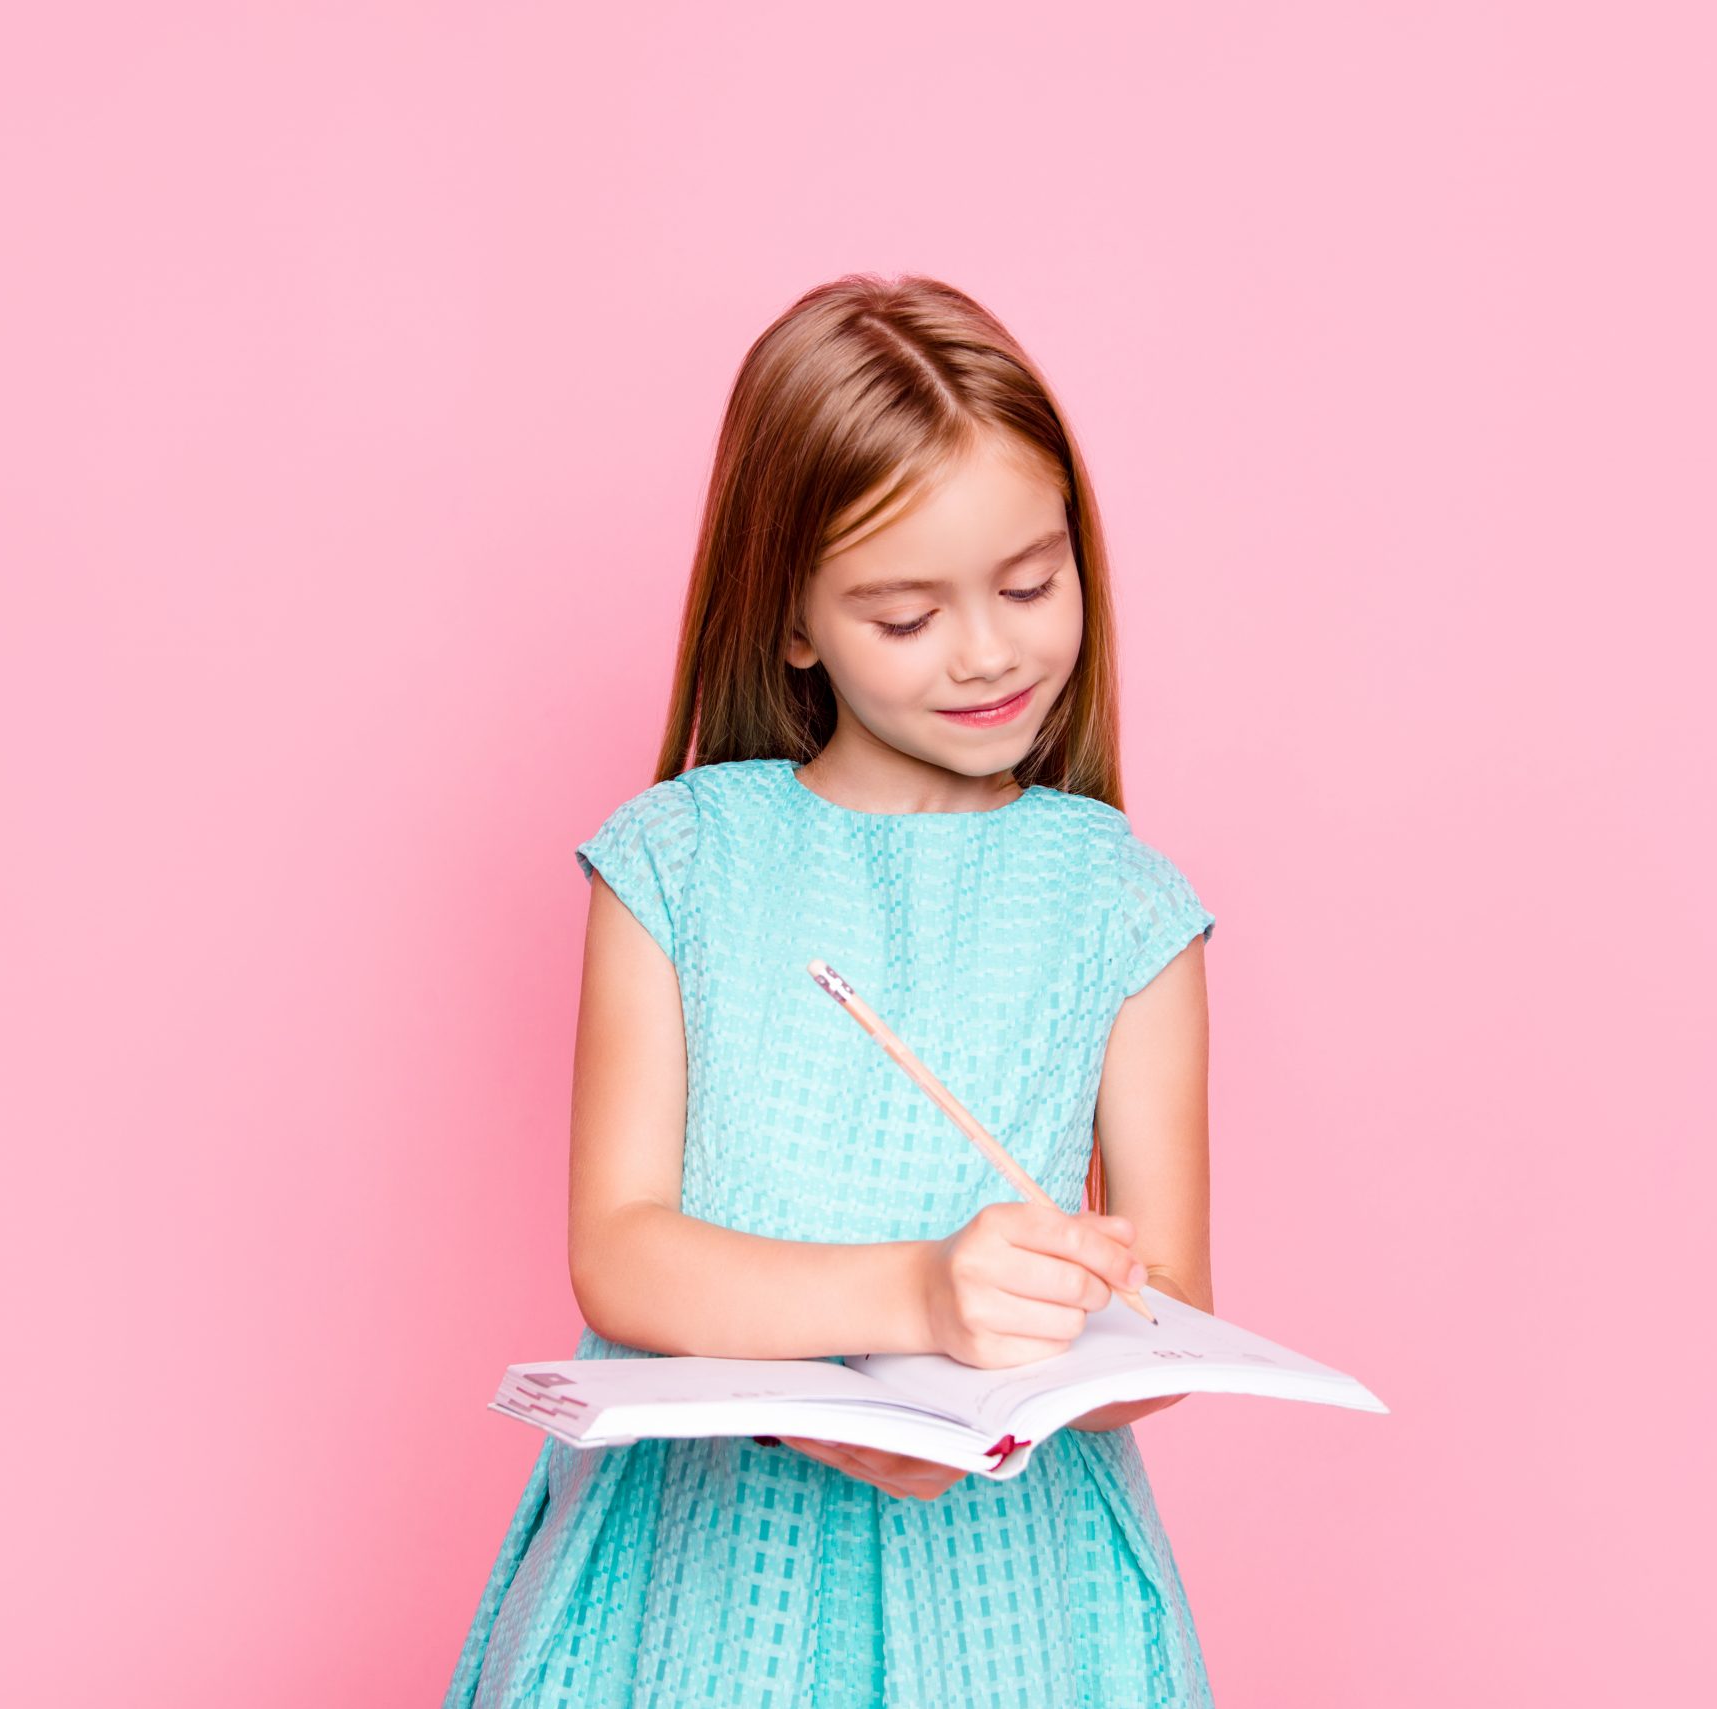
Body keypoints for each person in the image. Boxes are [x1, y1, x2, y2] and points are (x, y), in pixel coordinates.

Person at [445, 273, 1220, 1707]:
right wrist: (919, 1292)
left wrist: (1065, 1322)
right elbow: (617, 1247)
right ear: (794, 621)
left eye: (1031, 584)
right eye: (905, 614)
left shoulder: (1125, 901)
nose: (988, 651)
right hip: (704, 1573)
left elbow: (1172, 1311)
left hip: (1017, 1588)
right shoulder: (678, 858)